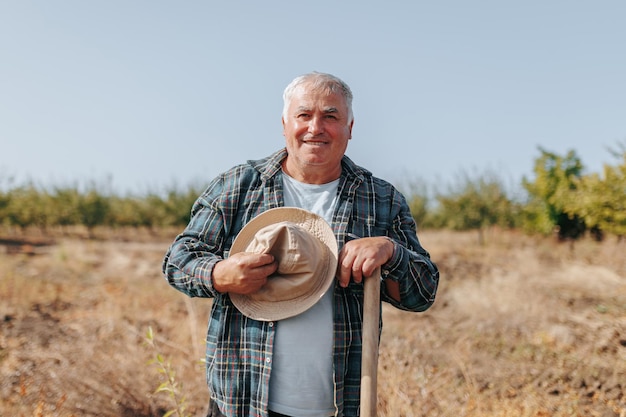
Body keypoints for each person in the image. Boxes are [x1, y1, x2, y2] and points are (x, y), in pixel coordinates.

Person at [162, 72, 440, 417]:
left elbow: (422, 294)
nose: (315, 128)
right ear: (284, 124)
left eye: (331, 116)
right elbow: (178, 260)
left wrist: (392, 252)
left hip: (338, 405)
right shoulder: (240, 185)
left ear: (350, 128)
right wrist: (219, 273)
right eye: (304, 115)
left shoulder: (380, 198)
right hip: (242, 403)